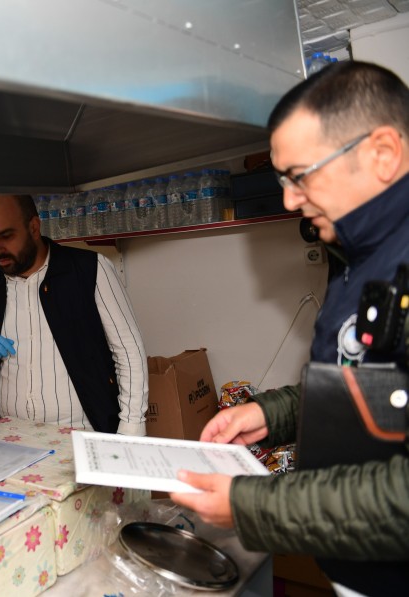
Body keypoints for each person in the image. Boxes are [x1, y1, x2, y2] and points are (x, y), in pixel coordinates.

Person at [170, 61, 409, 596]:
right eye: (284, 180)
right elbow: (373, 387)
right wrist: (270, 414)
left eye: (301, 175)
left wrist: (249, 506)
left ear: (383, 154)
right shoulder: (356, 255)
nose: (289, 200)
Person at [0, 194, 147, 434]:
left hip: (82, 433)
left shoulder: (90, 270)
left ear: (34, 227)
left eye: (6, 236)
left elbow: (129, 351)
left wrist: (131, 425)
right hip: (12, 435)